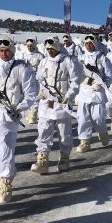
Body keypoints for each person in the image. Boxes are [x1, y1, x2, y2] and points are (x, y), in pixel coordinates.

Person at [0, 37, 37, 202]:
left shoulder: (22, 68)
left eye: (7, 50)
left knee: (6, 149)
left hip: (10, 116)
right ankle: (6, 167)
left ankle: (5, 182)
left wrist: (19, 108)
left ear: (13, 51)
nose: (3, 53)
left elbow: (30, 94)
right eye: (0, 50)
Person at [31, 36, 81, 173]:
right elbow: (39, 79)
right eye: (48, 49)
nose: (50, 51)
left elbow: (76, 81)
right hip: (46, 104)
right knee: (43, 132)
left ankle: (64, 156)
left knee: (64, 134)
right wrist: (41, 92)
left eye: (52, 48)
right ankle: (42, 159)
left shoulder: (68, 61)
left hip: (62, 104)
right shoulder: (43, 62)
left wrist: (69, 95)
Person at [76, 35, 112, 152]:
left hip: (97, 92)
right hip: (84, 91)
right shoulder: (80, 58)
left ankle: (102, 132)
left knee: (98, 118)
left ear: (95, 44)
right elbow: (74, 75)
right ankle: (84, 141)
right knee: (83, 118)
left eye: (91, 43)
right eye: (86, 43)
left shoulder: (102, 58)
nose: (88, 45)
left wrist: (102, 84)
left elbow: (109, 75)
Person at [18, 38, 45, 124]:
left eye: (31, 46)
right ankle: (29, 113)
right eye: (28, 46)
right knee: (27, 94)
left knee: (36, 95)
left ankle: (34, 113)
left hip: (36, 78)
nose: (30, 47)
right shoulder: (23, 54)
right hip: (26, 78)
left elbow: (43, 68)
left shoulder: (40, 56)